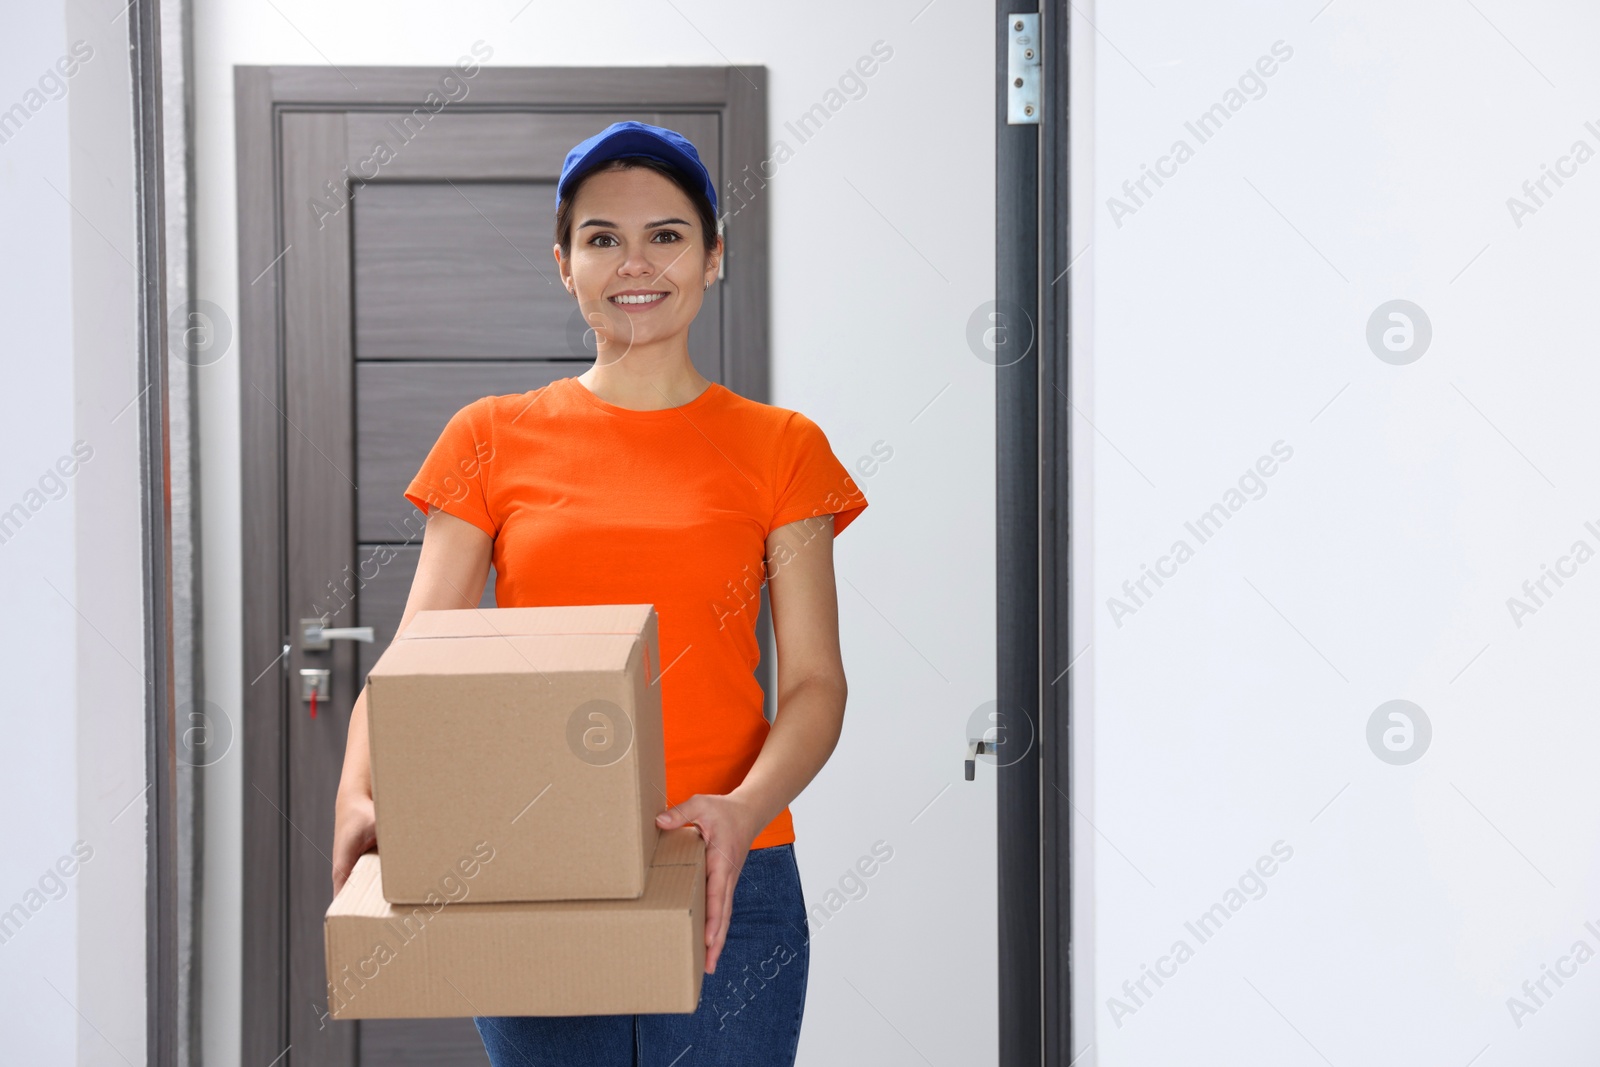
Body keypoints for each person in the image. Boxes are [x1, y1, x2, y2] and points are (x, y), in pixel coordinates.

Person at [329, 120, 870, 1067]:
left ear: (712, 258)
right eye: (601, 237)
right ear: (564, 264)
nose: (636, 262)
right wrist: (358, 788)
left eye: (666, 234)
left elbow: (818, 683)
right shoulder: (490, 437)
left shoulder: (782, 448)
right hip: (534, 857)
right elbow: (420, 650)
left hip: (730, 871)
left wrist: (742, 811)